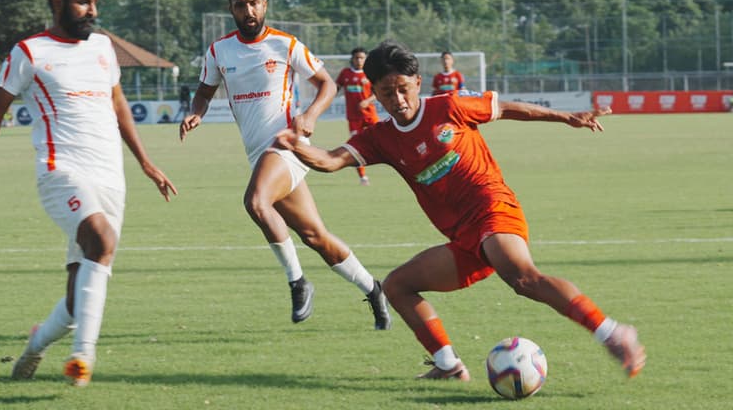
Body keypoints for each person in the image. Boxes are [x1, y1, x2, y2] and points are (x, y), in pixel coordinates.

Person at [276, 40, 646, 381]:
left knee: (523, 279)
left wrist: (567, 117)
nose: (398, 100)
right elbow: (328, 161)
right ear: (375, 94)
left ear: (418, 83)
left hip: (493, 210)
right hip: (465, 239)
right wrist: (297, 145)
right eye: (388, 93)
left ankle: (613, 332)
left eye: (403, 89)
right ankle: (448, 365)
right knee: (397, 287)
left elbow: (507, 109)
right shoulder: (379, 138)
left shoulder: (450, 106)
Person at [0, 0, 177, 387]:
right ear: (58, 1)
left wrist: (145, 162)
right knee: (101, 240)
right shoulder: (29, 52)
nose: (92, 11)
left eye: (95, 2)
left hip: (109, 177)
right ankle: (83, 356)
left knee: (77, 291)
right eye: (83, 2)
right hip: (59, 171)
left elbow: (119, 106)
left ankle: (36, 345)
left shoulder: (102, 48)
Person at [179, 0, 390, 329]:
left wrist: (309, 115)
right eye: (240, 4)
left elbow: (326, 85)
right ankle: (373, 289)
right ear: (231, 8)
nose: (248, 10)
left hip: (287, 145)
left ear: (264, 4)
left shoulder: (284, 44)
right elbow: (204, 90)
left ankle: (297, 281)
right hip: (258, 155)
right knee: (315, 236)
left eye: (254, 2)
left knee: (256, 202)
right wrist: (195, 113)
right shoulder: (219, 51)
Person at [335, 47, 379, 185]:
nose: (359, 60)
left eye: (362, 58)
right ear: (352, 59)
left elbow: (378, 93)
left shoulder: (370, 73)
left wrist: (367, 101)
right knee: (356, 146)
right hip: (354, 118)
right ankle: (363, 177)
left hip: (370, 115)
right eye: (357, 58)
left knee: (384, 138)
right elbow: (336, 87)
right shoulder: (345, 73)